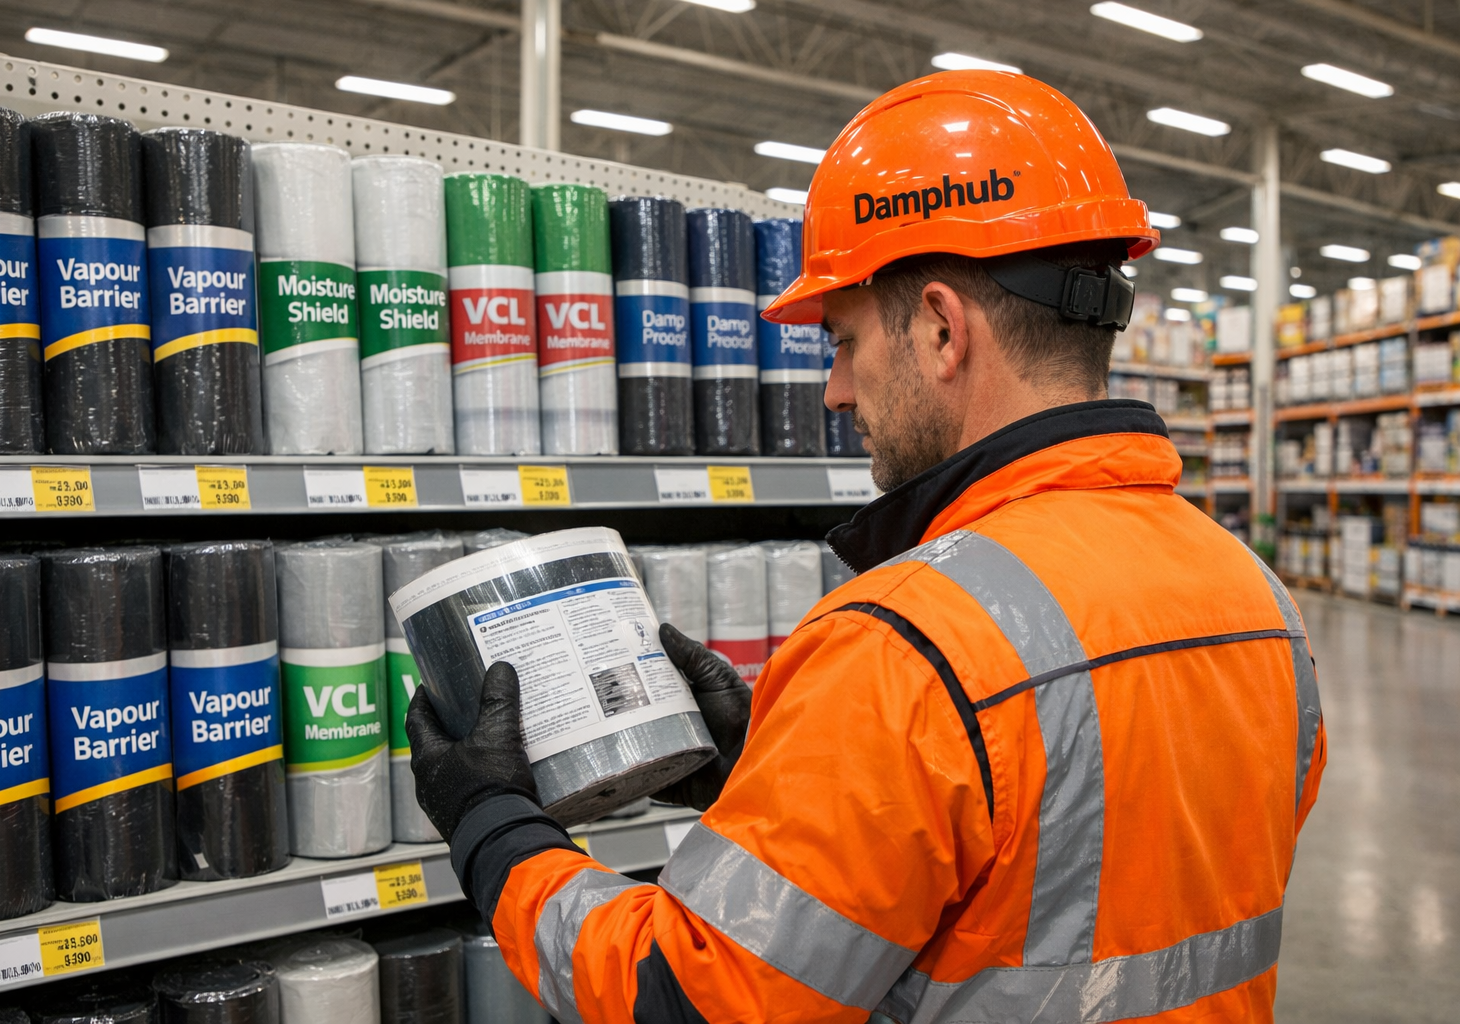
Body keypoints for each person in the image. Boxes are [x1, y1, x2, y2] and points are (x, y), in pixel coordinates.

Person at [405, 70, 1326, 1024]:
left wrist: (493, 828)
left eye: (843, 341)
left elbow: (682, 996)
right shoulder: (1258, 600)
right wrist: (766, 765)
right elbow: (1070, 860)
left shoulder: (905, 645)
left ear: (939, 330)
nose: (837, 392)